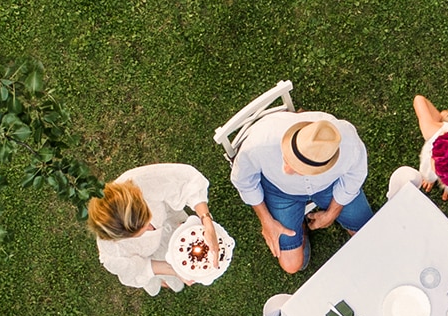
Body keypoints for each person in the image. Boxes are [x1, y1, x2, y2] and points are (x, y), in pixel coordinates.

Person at [230, 108, 372, 274]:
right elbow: (244, 182)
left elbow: (354, 178)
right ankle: (300, 226)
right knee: (292, 265)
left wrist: (332, 213)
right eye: (287, 157)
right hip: (279, 191)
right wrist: (266, 220)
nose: (286, 169)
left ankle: (301, 221)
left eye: (298, 168)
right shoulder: (259, 144)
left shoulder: (349, 143)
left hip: (328, 186)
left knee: (369, 234)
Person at [87, 163, 219, 295]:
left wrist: (206, 219)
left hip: (171, 222)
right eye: (141, 232)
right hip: (154, 255)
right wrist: (175, 270)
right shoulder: (113, 251)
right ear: (120, 238)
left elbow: (186, 181)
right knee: (166, 278)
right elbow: (135, 269)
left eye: (147, 218)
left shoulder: (141, 181)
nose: (151, 228)